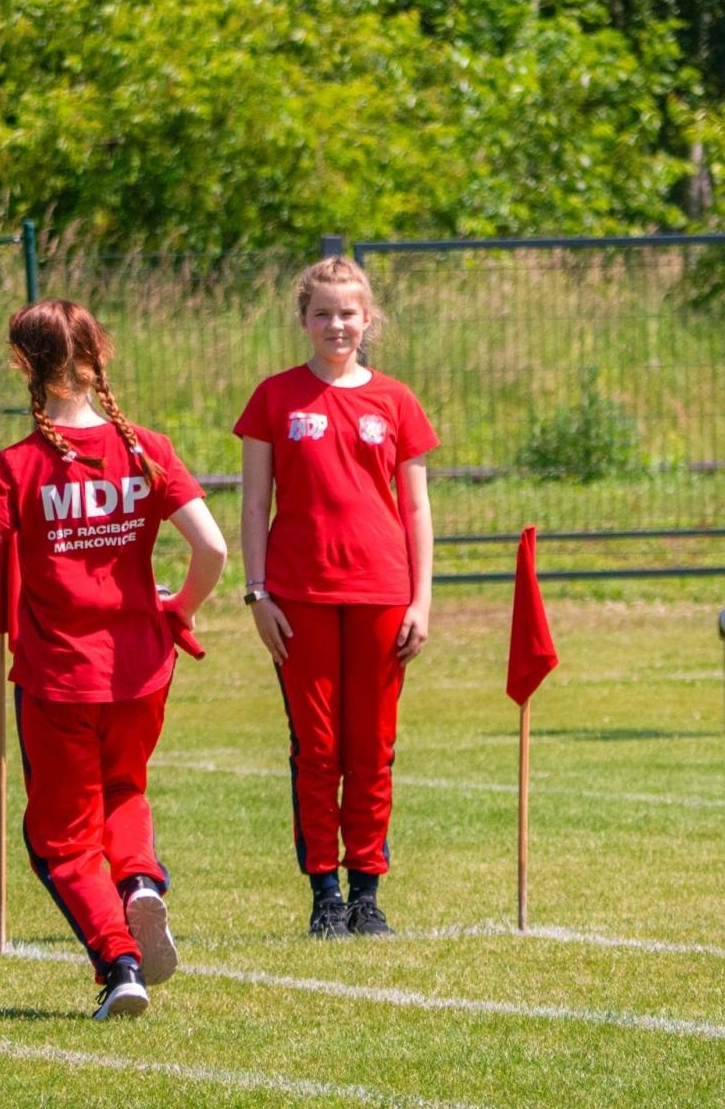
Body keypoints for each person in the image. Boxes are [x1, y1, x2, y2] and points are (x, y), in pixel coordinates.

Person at [0, 297, 226, 1019]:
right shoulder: (147, 448)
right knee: (125, 794)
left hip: (59, 677)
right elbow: (211, 549)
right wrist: (179, 607)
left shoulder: (18, 464)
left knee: (59, 836)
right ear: (100, 357)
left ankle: (118, 962)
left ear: (20, 364)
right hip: (139, 668)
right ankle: (142, 881)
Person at [234, 256, 437, 939]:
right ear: (303, 321)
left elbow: (416, 509)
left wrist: (422, 601)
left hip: (383, 594)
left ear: (368, 318)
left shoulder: (397, 401)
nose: (336, 324)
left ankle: (366, 893)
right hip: (300, 596)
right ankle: (324, 894)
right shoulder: (274, 398)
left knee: (371, 747)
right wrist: (257, 592)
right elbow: (256, 503)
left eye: (347, 313)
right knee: (316, 748)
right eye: (322, 313)